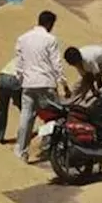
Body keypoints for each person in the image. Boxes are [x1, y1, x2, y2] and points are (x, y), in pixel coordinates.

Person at [14, 11, 69, 161]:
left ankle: (20, 153)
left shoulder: (22, 38)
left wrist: (21, 81)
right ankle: (51, 148)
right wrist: (63, 82)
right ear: (50, 24)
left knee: (25, 119)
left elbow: (19, 64)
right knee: (54, 116)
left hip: (28, 83)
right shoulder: (50, 39)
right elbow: (56, 63)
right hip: (46, 82)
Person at [0, 55, 23, 143]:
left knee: (1, 109)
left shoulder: (18, 56)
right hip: (15, 80)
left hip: (2, 78)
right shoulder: (34, 60)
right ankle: (23, 137)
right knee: (25, 110)